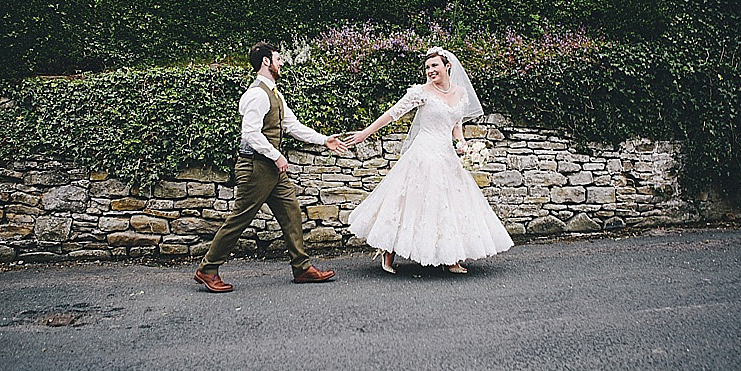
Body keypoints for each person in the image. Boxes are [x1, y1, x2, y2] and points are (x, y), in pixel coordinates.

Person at [344, 47, 513, 274]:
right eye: (427, 67)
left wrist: (463, 145)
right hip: (423, 153)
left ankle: (450, 257)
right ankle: (388, 252)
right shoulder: (420, 92)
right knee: (406, 202)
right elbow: (393, 113)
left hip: (446, 155)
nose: (430, 70)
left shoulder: (460, 94)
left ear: (447, 66)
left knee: (449, 205)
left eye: (435, 65)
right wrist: (365, 133)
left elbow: (456, 125)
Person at [194, 42, 346, 292]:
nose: (281, 62)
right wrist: (276, 155)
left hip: (272, 169)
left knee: (291, 212)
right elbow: (250, 133)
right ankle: (207, 269)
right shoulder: (257, 94)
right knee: (239, 220)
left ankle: (302, 268)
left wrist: (324, 140)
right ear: (266, 61)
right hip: (255, 167)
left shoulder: (274, 93)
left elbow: (292, 126)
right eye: (277, 58)